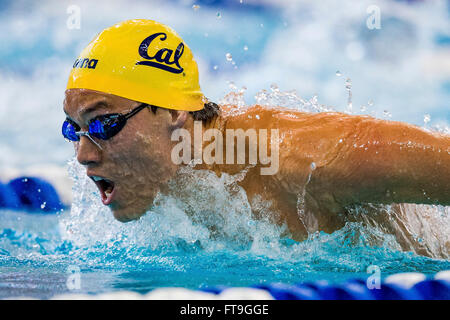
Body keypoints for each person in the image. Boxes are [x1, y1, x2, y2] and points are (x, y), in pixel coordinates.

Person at [63, 19, 449, 257]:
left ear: (173, 113)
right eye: (74, 129)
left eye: (103, 125)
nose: (83, 154)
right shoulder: (174, 184)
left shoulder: (305, 161)